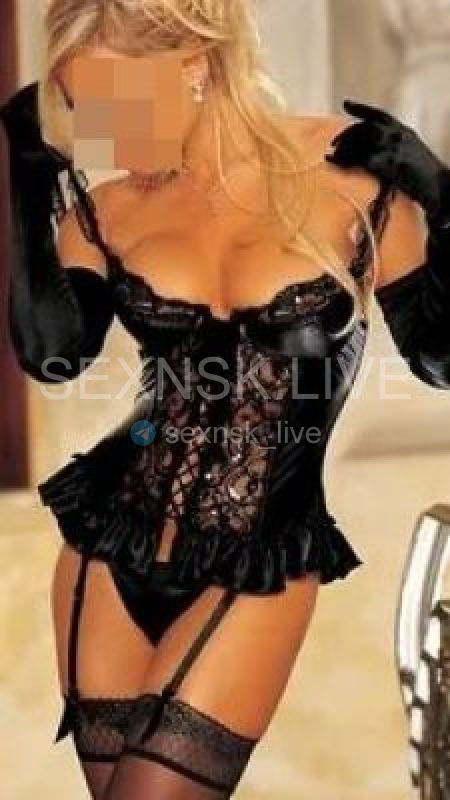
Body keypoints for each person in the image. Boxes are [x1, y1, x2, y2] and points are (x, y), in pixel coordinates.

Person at [2, 1, 450, 798]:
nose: (101, 134)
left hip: (261, 559)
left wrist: (444, 198)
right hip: (111, 544)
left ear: (193, 67)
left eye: (112, 101)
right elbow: (53, 356)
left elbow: (441, 359)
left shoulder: (352, 178)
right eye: (80, 106)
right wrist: (29, 182)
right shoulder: (108, 211)